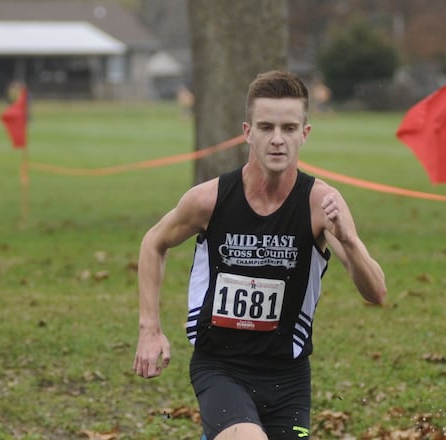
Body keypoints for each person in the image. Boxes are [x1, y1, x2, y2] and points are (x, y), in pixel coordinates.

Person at [133, 70, 387, 440]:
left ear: (305, 133)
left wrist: (349, 241)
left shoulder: (322, 205)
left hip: (288, 376)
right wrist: (150, 328)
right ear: (248, 132)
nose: (278, 140)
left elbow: (376, 292)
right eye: (266, 127)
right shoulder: (209, 199)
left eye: (289, 128)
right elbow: (153, 243)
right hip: (220, 367)